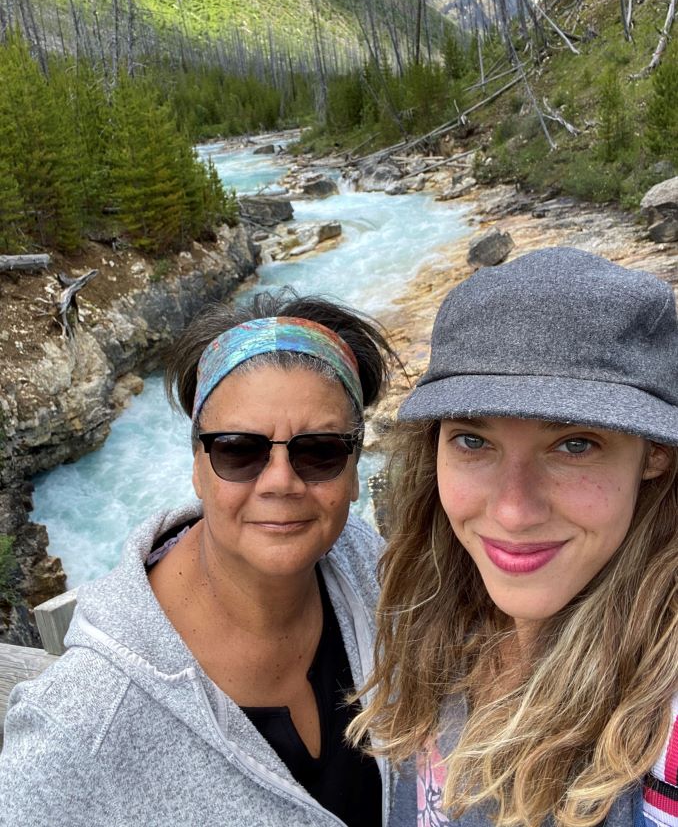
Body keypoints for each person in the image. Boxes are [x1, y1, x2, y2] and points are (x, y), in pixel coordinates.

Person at [0, 290, 396, 827]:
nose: (281, 481)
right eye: (239, 449)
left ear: (352, 470)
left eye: (319, 451)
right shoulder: (80, 725)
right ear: (197, 466)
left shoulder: (373, 573)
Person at [350, 247, 678, 827]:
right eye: (474, 441)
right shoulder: (430, 611)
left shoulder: (663, 736)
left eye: (575, 444)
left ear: (654, 455)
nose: (513, 511)